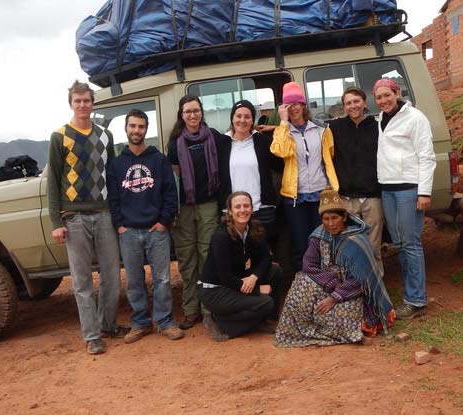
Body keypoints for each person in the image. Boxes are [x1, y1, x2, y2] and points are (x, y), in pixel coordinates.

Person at [46, 80, 127, 355]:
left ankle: (108, 324)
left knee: (112, 276)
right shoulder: (59, 137)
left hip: (104, 214)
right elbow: (53, 182)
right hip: (74, 217)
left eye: (87, 101)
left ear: (94, 104)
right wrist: (57, 222)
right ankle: (92, 336)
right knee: (81, 281)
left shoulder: (106, 136)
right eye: (78, 101)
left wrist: (117, 213)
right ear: (71, 103)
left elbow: (112, 176)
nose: (83, 105)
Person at [274, 186, 395, 348]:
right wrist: (332, 284)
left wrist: (335, 297)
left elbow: (361, 280)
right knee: (301, 280)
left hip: (352, 293)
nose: (330, 224)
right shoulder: (319, 236)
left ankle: (352, 334)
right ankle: (311, 328)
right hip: (331, 286)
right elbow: (309, 265)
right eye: (326, 219)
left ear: (344, 217)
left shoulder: (358, 240)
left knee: (344, 313)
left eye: (334, 218)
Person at [106, 109, 185, 343]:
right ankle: (140, 323)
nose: (136, 130)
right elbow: (113, 198)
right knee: (133, 280)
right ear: (126, 129)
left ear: (146, 129)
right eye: (132, 126)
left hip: (156, 230)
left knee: (162, 278)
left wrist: (164, 222)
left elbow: (171, 193)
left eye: (140, 126)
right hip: (128, 231)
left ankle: (165, 321)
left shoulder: (158, 160)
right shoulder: (117, 164)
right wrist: (119, 224)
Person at [373, 78, 437, 320]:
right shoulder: (381, 119)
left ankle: (417, 300)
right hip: (388, 188)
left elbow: (427, 157)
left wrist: (424, 192)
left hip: (409, 189)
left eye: (387, 95)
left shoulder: (415, 118)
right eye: (379, 97)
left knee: (410, 244)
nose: (383, 100)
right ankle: (412, 296)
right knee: (399, 244)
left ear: (396, 92)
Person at [167, 95, 225, 330]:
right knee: (187, 260)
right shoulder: (175, 143)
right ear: (181, 115)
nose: (192, 115)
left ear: (202, 112)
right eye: (188, 111)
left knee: (207, 256)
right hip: (185, 209)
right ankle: (191, 310)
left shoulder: (215, 138)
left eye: (196, 110)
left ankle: (208, 308)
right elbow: (176, 177)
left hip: (209, 205)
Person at [270, 81, 339, 273]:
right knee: (301, 245)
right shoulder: (282, 131)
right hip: (296, 197)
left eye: (297, 104)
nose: (294, 108)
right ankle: (306, 284)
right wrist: (283, 122)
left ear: (304, 105)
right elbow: (280, 151)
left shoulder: (321, 129)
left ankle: (325, 282)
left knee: (323, 243)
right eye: (288, 105)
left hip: (321, 194)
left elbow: (330, 155)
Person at [198, 191, 283, 341]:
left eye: (246, 206)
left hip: (237, 280)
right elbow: (225, 278)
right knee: (266, 302)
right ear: (230, 211)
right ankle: (217, 320)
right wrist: (257, 289)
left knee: (275, 271)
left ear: (252, 208)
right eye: (237, 207)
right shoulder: (221, 236)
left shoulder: (253, 229)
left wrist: (253, 277)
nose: (242, 210)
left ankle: (265, 321)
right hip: (215, 290)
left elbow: (266, 258)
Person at [327, 87, 384, 276]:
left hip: (372, 197)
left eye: (356, 101)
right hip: (346, 198)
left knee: (373, 245)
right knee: (350, 245)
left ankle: (375, 284)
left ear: (365, 103)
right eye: (348, 103)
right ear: (343, 107)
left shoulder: (377, 126)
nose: (353, 106)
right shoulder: (334, 128)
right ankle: (353, 285)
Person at [218, 100, 279, 239]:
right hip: (232, 210)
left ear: (252, 120)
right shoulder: (221, 142)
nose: (242, 120)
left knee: (263, 253)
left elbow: (280, 164)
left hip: (261, 208)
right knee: (235, 254)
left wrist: (279, 128)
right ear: (232, 118)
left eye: (247, 116)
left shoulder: (263, 141)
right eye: (238, 116)